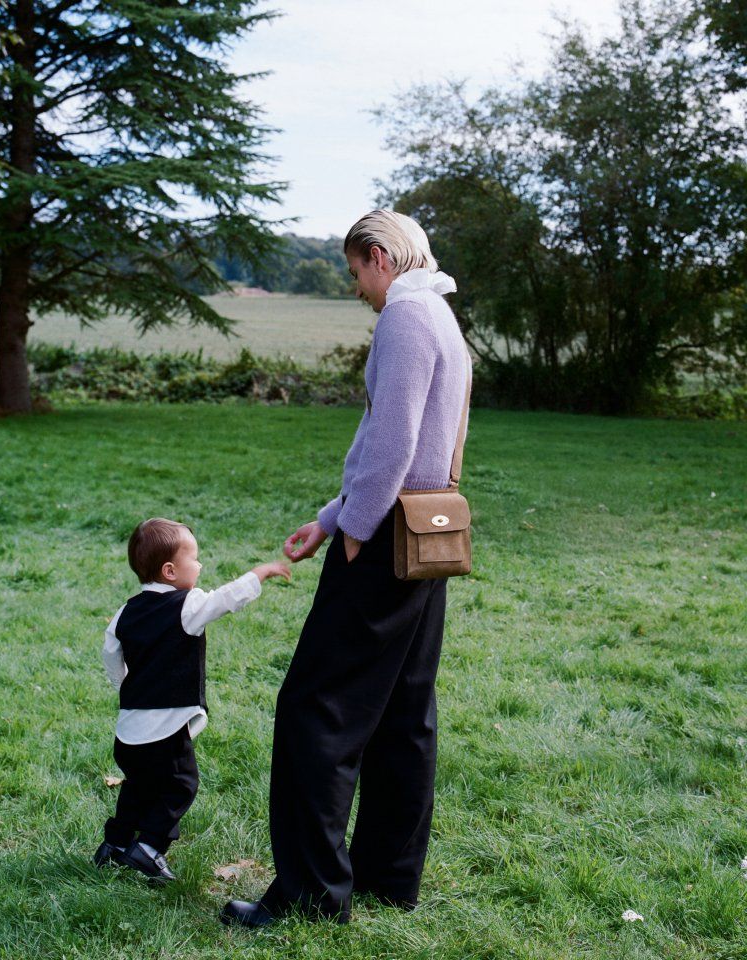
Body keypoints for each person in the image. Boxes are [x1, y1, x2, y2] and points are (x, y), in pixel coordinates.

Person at [221, 210, 471, 927]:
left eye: (356, 271)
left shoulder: (403, 317)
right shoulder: (441, 313)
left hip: (386, 537)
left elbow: (391, 441)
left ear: (380, 257)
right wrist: (329, 516)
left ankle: (309, 897)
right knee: (402, 711)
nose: (358, 287)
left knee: (314, 711)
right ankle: (389, 878)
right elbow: (422, 444)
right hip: (430, 529)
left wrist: (353, 530)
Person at [94, 517, 290, 882]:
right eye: (194, 559)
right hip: (165, 730)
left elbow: (110, 653)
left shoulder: (125, 611)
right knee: (180, 784)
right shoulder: (186, 605)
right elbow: (224, 600)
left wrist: (127, 687)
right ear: (170, 570)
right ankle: (150, 847)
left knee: (138, 786)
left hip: (129, 731)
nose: (200, 566)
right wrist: (259, 573)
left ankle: (116, 844)